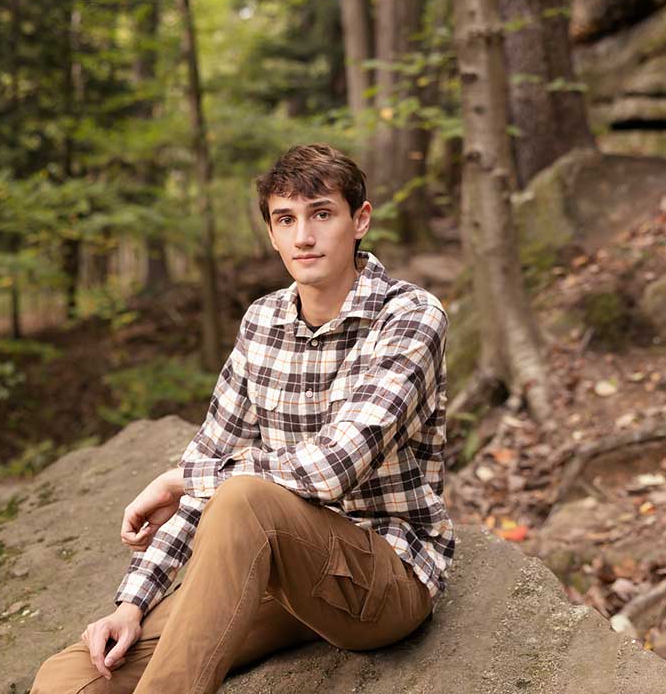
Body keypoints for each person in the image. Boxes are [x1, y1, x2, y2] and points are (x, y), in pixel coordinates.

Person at [31, 143, 455, 694]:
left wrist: (183, 479)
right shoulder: (262, 321)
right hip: (274, 576)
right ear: (272, 233)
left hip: (381, 576)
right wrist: (134, 601)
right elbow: (211, 465)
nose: (304, 236)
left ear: (360, 221)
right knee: (69, 678)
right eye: (286, 219)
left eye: (322, 214)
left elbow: (332, 467)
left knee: (243, 498)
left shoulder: (410, 315)